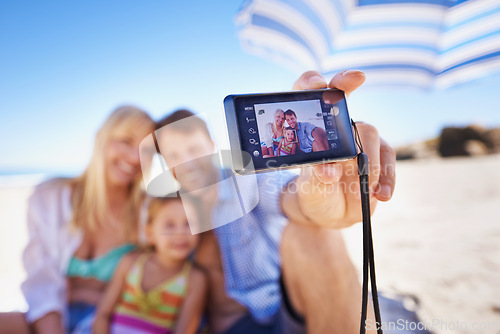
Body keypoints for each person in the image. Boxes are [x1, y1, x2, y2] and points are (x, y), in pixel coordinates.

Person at [154, 70, 397, 334]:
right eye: (174, 155)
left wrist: (313, 198)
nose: (186, 163)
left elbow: (288, 194)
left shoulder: (244, 179)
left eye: (193, 149)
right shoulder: (164, 211)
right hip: (222, 326)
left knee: (314, 234)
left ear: (212, 145)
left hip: (278, 312)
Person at [0, 106, 154, 334]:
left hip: (117, 322)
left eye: (146, 149)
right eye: (126, 141)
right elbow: (42, 283)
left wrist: (83, 292)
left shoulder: (149, 210)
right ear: (101, 138)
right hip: (53, 317)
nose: (134, 157)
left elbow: (157, 285)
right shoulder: (50, 197)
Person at [93, 196, 207, 334]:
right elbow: (103, 315)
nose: (181, 233)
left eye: (188, 224)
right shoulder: (130, 263)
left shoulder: (194, 280)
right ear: (149, 233)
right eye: (170, 225)